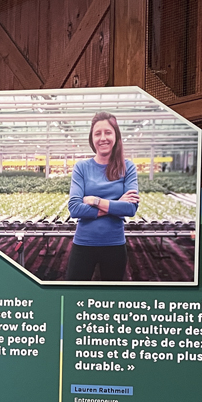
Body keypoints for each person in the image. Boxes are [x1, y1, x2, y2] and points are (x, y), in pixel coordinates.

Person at [66, 112, 139, 280]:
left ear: (116, 136)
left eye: (108, 132)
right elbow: (75, 208)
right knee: (73, 294)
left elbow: (130, 208)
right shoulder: (81, 167)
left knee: (110, 298)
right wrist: (115, 205)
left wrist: (94, 200)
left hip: (114, 246)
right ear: (92, 139)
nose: (103, 138)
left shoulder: (127, 167)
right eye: (97, 133)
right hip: (83, 244)